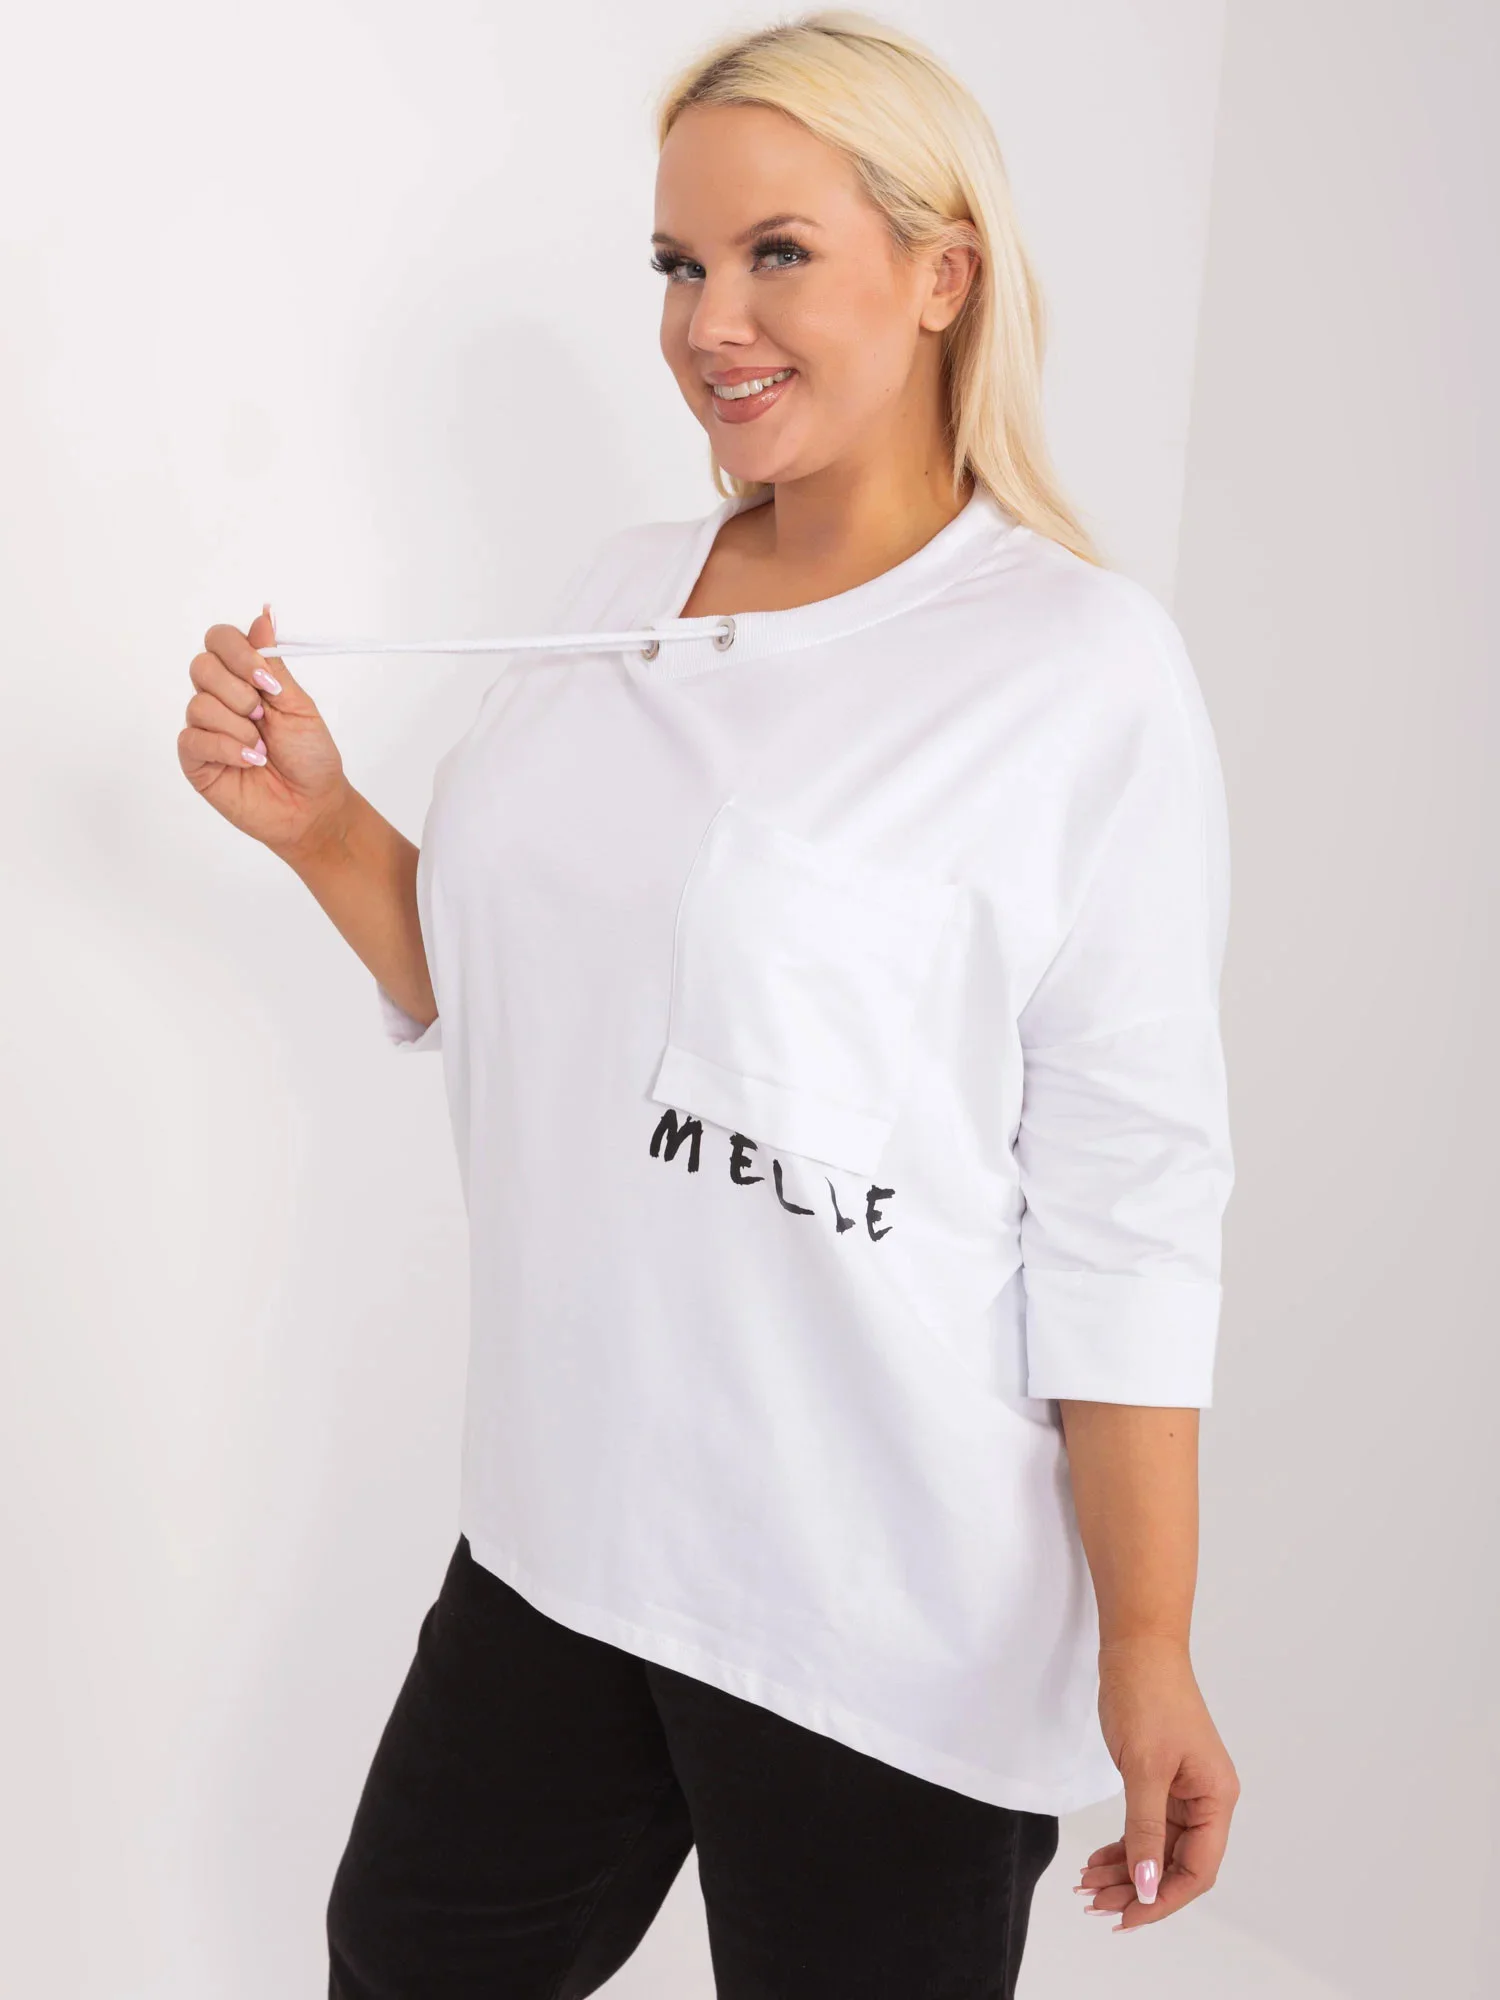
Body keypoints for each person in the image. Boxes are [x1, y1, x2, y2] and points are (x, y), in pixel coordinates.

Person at [177, 11, 1240, 1995]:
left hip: (877, 1597)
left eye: (777, 254)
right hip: (564, 1527)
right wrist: (321, 828)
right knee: (401, 1958)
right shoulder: (621, 595)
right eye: (678, 262)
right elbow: (522, 1000)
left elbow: (1131, 1198)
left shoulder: (1076, 669)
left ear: (942, 274)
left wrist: (1152, 1644)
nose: (708, 323)